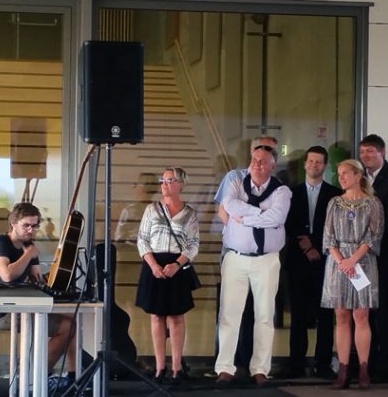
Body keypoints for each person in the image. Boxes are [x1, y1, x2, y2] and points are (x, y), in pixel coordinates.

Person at [214, 143, 291, 386]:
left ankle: (260, 369)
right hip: (235, 258)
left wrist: (245, 218)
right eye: (254, 159)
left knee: (265, 315)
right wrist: (260, 216)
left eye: (262, 161)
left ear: (272, 165)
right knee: (229, 314)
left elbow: (277, 217)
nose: (257, 164)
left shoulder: (282, 191)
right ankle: (225, 367)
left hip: (266, 261)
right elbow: (229, 205)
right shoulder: (237, 182)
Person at [0, 202, 76, 379]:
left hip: (20, 307)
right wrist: (28, 255)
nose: (30, 230)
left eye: (34, 226)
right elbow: (7, 275)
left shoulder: (28, 246)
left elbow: (37, 279)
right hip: (0, 312)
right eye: (26, 225)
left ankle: (71, 374)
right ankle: (35, 375)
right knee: (67, 326)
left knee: (71, 318)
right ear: (13, 223)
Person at [321, 159, 384, 390]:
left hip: (363, 261)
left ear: (358, 175)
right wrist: (341, 261)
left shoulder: (372, 203)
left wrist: (353, 260)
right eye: (339, 174)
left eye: (346, 173)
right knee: (341, 316)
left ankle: (364, 367)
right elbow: (328, 237)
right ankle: (344, 369)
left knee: (361, 315)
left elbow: (374, 235)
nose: (342, 177)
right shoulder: (334, 203)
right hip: (338, 263)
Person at [135, 167, 199, 385]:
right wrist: (153, 265)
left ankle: (177, 367)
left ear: (181, 184)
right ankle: (160, 367)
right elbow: (142, 240)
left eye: (170, 180)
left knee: (176, 316)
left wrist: (177, 264)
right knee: (156, 316)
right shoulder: (151, 209)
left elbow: (193, 245)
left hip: (176, 266)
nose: (164, 184)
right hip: (154, 264)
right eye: (162, 180)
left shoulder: (189, 213)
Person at [284, 146, 341, 378]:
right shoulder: (290, 193)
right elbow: (287, 223)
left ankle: (323, 364)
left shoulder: (335, 194)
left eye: (319, 162)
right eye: (311, 161)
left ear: (325, 166)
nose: (314, 166)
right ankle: (296, 364)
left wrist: (318, 246)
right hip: (297, 261)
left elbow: (336, 228)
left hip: (326, 262)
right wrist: (306, 246)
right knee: (297, 315)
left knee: (325, 316)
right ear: (304, 164)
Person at [358, 134, 388, 378]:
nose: (365, 156)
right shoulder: (358, 177)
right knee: (362, 307)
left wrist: (368, 240)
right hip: (357, 255)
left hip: (385, 252)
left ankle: (386, 361)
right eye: (362, 152)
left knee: (384, 306)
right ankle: (366, 360)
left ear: (382, 152)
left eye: (370, 151)